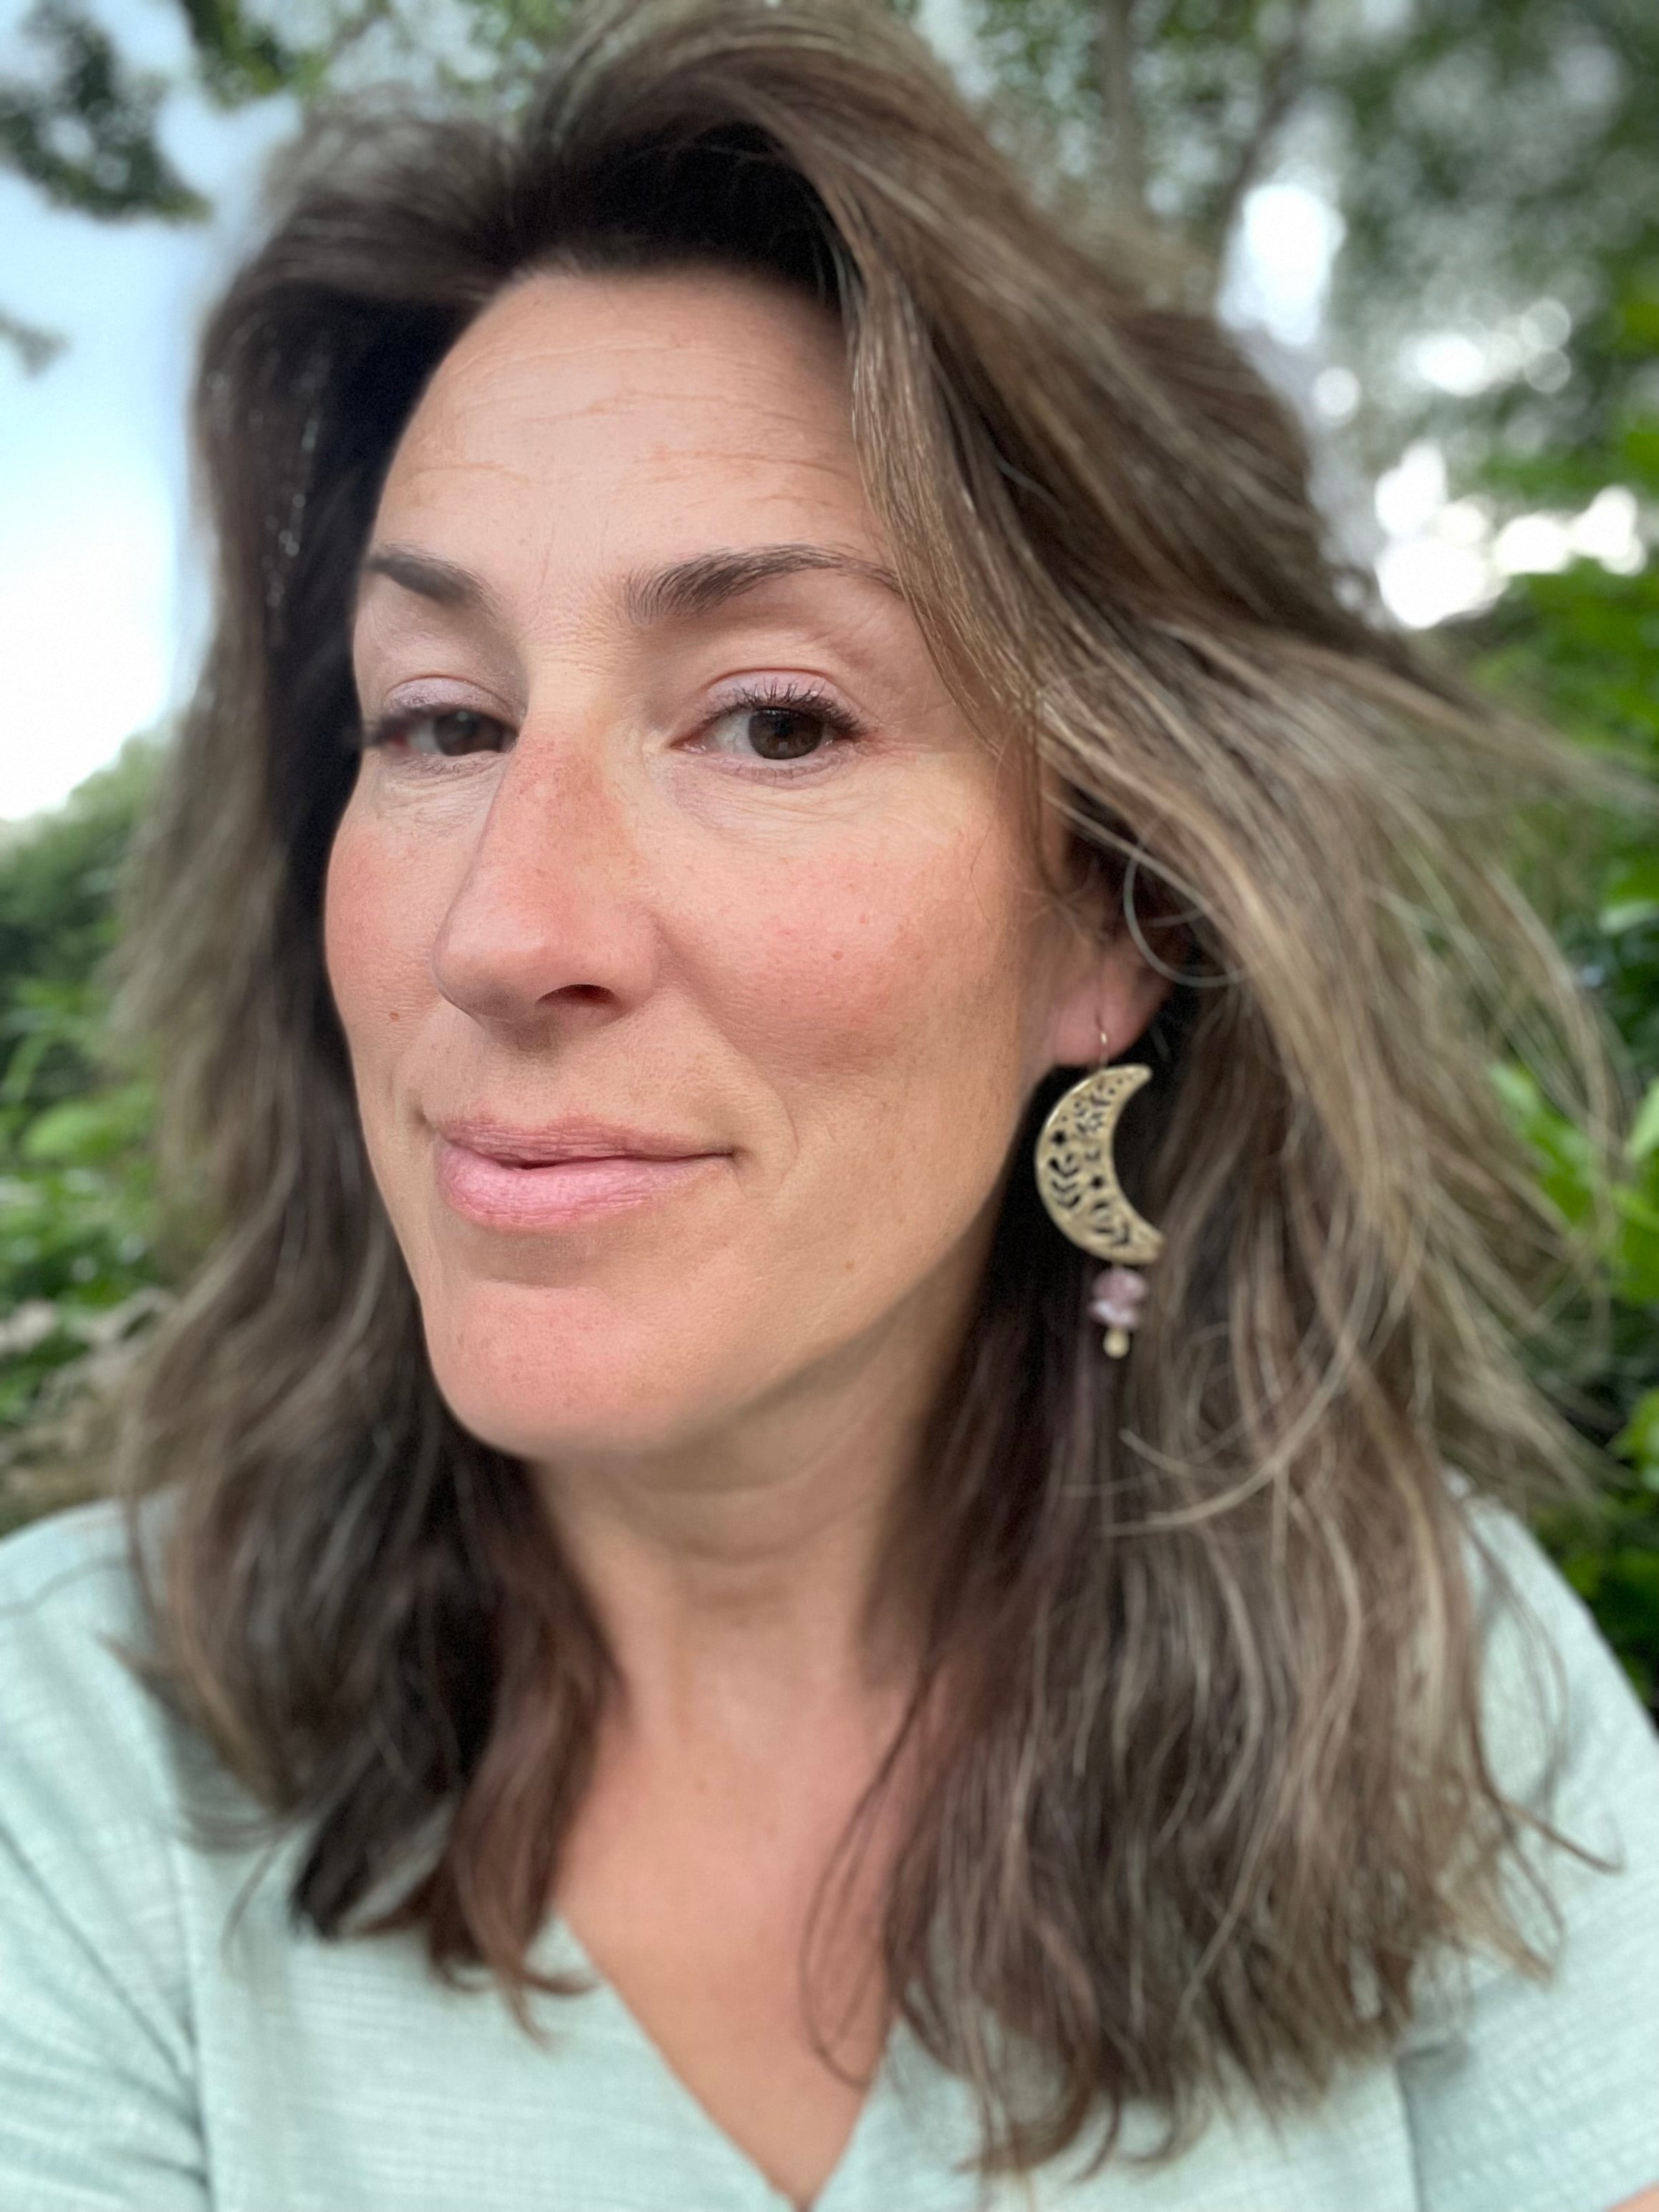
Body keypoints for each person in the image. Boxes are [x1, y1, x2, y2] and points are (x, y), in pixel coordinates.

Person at [1, 1, 1655, 2206]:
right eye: (439, 721)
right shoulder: (73, 1764)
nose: (503, 932)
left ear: (1111, 921)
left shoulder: (1437, 1691)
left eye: (772, 721)